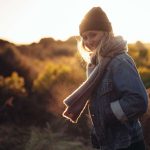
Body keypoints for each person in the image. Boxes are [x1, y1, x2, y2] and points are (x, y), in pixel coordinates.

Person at [62, 6, 148, 150]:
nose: (88, 41)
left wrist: (107, 113)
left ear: (107, 33)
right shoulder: (95, 64)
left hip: (127, 143)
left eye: (93, 34)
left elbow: (138, 101)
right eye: (84, 37)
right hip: (106, 143)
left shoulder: (119, 61)